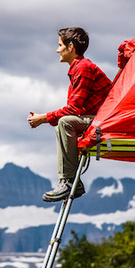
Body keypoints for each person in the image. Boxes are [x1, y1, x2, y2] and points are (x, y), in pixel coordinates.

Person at [27, 27, 112, 202]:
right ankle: (71, 181)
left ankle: (68, 181)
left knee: (65, 122)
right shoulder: (80, 68)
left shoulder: (83, 68)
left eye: (60, 45)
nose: (57, 49)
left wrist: (43, 118)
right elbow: (77, 109)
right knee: (64, 122)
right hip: (98, 118)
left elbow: (74, 109)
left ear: (70, 47)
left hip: (105, 120)